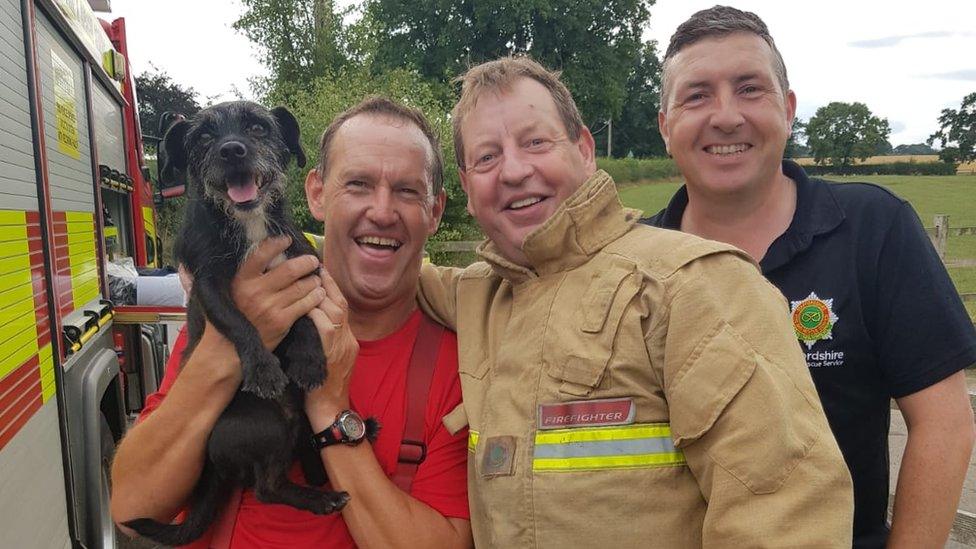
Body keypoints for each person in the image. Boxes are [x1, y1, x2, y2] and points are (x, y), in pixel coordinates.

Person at [416, 55, 854, 547]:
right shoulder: (477, 296)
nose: (514, 170)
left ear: (584, 149)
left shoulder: (693, 284)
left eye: (536, 141)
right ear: (467, 189)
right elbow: (367, 259)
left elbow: (783, 513)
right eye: (487, 157)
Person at [643, 6, 976, 548]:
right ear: (664, 125)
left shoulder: (874, 228)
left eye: (749, 88)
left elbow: (945, 423)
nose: (726, 116)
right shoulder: (635, 265)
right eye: (697, 94)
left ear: (789, 109)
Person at [111, 97, 473, 549]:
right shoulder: (239, 309)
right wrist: (233, 349)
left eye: (406, 190)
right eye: (358, 184)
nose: (382, 211)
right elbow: (132, 508)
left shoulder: (460, 365)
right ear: (317, 193)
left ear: (435, 211)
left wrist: (329, 410)